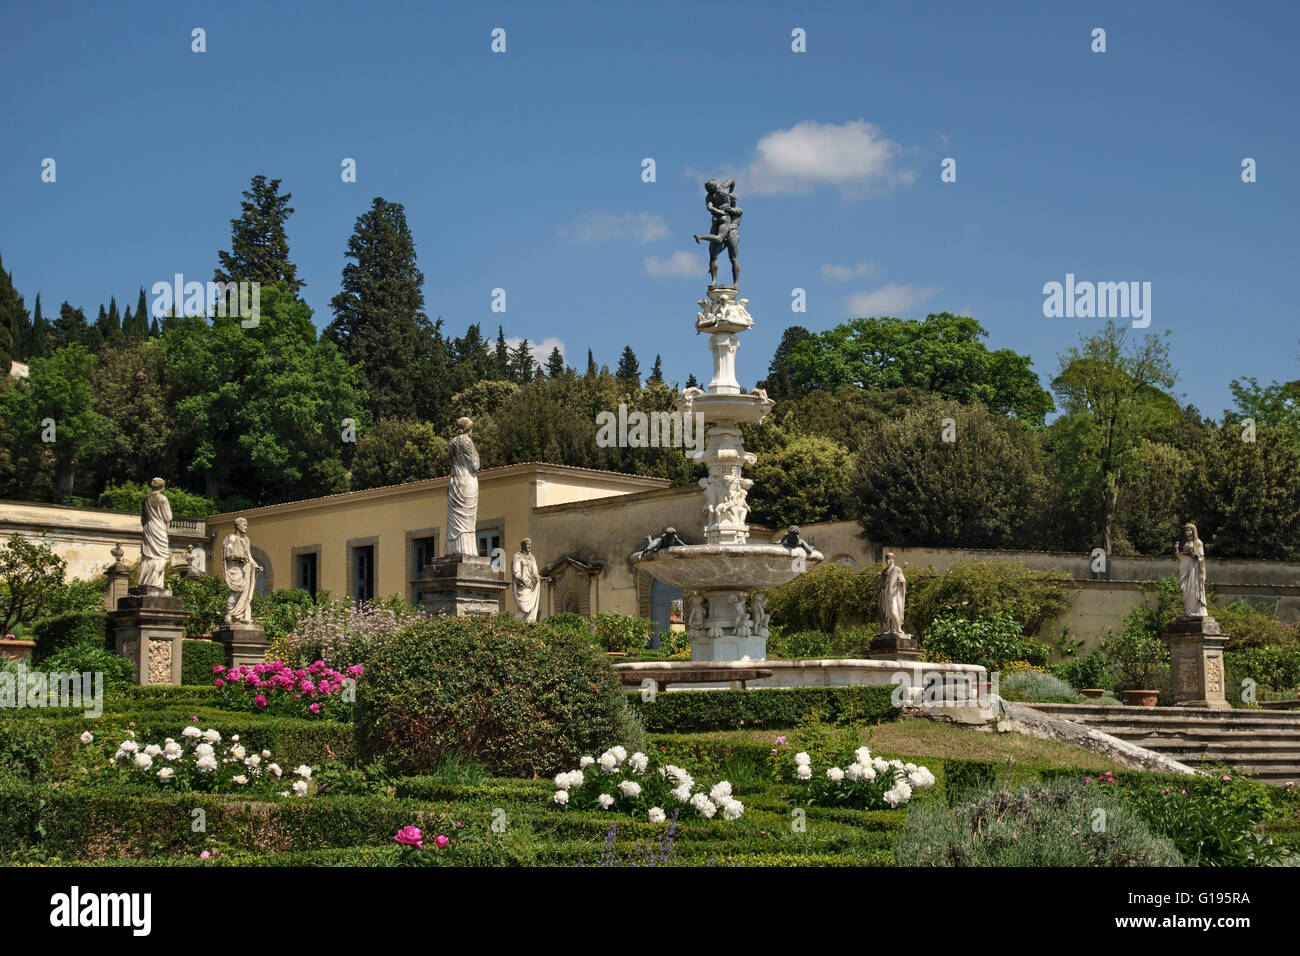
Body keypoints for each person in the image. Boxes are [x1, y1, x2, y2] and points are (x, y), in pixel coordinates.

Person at [445, 418, 481, 557]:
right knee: (467, 521)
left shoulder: (452, 443)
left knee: (455, 518)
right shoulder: (466, 441)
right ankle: (466, 550)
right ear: (468, 429)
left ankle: (453, 549)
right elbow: (475, 465)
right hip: (466, 481)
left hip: (454, 480)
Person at [222, 517, 262, 625]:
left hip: (244, 569)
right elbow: (228, 555)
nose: (246, 528)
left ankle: (240, 616)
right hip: (234, 568)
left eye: (246, 525)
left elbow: (249, 556)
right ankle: (229, 614)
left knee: (244, 592)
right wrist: (239, 558)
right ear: (237, 525)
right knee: (237, 591)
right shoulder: (231, 538)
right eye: (244, 525)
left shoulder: (246, 540)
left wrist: (255, 565)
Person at [138, 477, 172, 591]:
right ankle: (155, 582)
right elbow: (168, 517)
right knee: (162, 556)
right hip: (158, 527)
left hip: (148, 527)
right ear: (162, 487)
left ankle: (144, 580)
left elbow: (143, 519)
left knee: (148, 555)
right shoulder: (162, 499)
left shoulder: (145, 499)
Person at [511, 538, 550, 622]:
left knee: (531, 612)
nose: (529, 546)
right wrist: (524, 582)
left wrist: (542, 578)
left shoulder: (532, 557)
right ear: (522, 545)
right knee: (524, 609)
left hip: (533, 587)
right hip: (524, 587)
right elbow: (516, 573)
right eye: (527, 544)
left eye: (530, 544)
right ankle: (513, 625)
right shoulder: (518, 556)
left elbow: (534, 574)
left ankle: (528, 627)